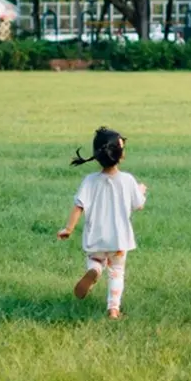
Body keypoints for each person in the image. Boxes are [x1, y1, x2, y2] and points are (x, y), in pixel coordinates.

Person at [58, 127, 148, 320]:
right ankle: (113, 310)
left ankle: (95, 269)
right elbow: (138, 205)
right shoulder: (127, 180)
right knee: (117, 272)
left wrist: (68, 228)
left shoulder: (90, 181)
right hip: (119, 240)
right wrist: (140, 190)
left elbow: (78, 206)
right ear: (121, 155)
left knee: (97, 260)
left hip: (96, 237)